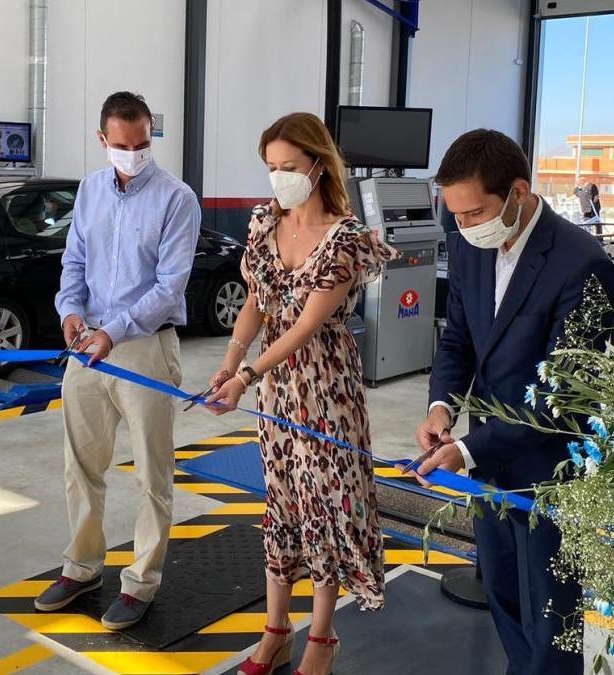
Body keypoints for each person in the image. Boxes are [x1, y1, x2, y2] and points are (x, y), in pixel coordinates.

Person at [413, 129, 614, 675]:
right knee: (503, 593)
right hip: (486, 461)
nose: (464, 225)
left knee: (552, 615)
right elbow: (458, 339)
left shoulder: (582, 264)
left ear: (519, 192)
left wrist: (465, 449)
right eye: (454, 214)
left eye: (475, 211)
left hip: (551, 470)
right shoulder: (467, 246)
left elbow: (564, 398)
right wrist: (441, 409)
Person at [202, 112, 395, 675]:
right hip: (276, 389)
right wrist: (229, 363)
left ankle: (321, 638)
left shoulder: (346, 238)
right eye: (271, 168)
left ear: (317, 163)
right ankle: (275, 628)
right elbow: (257, 302)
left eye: (288, 166)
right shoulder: (265, 223)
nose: (279, 178)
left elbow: (305, 326)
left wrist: (246, 377)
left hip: (325, 388)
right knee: (282, 501)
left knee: (326, 507)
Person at [34, 91, 201, 631]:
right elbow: (75, 260)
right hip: (87, 345)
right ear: (102, 141)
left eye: (143, 143)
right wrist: (70, 310)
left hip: (145, 346)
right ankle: (82, 566)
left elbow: (170, 284)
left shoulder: (177, 199)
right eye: (122, 145)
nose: (134, 153)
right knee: (80, 465)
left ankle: (141, 582)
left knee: (152, 473)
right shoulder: (88, 190)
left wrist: (114, 330)